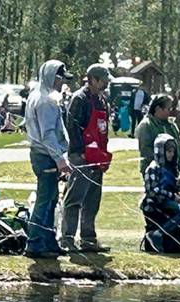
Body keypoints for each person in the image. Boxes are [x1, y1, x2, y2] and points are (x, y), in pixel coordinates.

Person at [23, 59, 72, 258]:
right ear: (53, 77)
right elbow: (48, 134)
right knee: (45, 200)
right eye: (61, 78)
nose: (62, 83)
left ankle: (49, 241)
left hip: (41, 154)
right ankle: (34, 243)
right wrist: (60, 159)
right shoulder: (46, 101)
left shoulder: (37, 95)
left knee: (52, 199)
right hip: (45, 156)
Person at [62, 63, 113, 253]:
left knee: (93, 198)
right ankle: (67, 238)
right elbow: (72, 127)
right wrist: (80, 152)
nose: (106, 84)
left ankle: (88, 239)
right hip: (81, 156)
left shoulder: (102, 100)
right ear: (92, 79)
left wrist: (103, 153)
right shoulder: (79, 99)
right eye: (103, 81)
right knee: (75, 197)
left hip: (98, 156)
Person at [141, 133, 180, 252]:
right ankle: (157, 234)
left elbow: (178, 186)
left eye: (173, 151)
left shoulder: (172, 168)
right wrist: (173, 196)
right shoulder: (153, 168)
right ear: (160, 150)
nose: (171, 154)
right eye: (168, 151)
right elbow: (153, 191)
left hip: (172, 199)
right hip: (157, 202)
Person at [135, 94, 180, 179]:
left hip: (172, 172)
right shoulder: (146, 125)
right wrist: (163, 163)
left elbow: (179, 147)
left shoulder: (171, 126)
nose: (170, 111)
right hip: (154, 173)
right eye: (168, 109)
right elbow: (145, 150)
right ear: (157, 109)